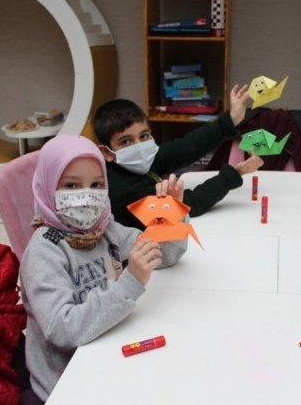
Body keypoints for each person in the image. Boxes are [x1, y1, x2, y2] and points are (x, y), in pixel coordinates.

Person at [19, 134, 187, 402]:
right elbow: (62, 330)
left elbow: (164, 255)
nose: (86, 196)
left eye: (96, 184)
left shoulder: (104, 228)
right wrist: (130, 281)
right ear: (48, 187)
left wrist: (173, 215)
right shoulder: (44, 250)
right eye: (72, 186)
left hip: (109, 349)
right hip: (68, 383)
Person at [93, 84, 264, 229]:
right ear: (106, 152)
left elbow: (185, 148)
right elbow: (190, 204)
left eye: (143, 136)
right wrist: (234, 174)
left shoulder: (130, 164)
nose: (139, 147)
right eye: (126, 142)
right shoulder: (125, 191)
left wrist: (231, 119)